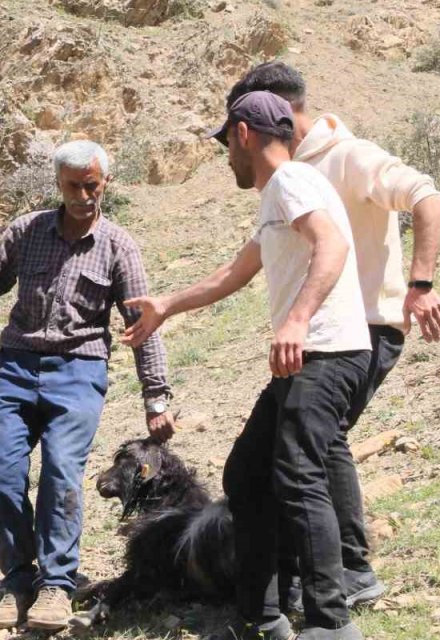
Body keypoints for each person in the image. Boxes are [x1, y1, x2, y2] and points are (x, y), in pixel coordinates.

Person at [123, 91, 370, 639]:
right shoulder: (281, 194)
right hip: (306, 359)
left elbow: (331, 245)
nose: (227, 158)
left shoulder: (291, 181)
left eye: (227, 145)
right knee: (246, 474)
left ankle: (331, 623)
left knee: (299, 477)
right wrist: (166, 305)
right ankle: (262, 612)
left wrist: (297, 320)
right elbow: (235, 272)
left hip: (325, 353)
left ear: (243, 134)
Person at [0, 140, 176, 631]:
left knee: (60, 472)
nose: (83, 196)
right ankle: (17, 582)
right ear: (58, 184)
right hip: (16, 367)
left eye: (91, 185)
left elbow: (142, 325)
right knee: (4, 475)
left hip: (79, 371)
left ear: (106, 183)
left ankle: (56, 584)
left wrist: (155, 397)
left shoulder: (118, 246)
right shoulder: (26, 232)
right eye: (73, 186)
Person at [227, 61, 440, 610]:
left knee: (309, 447)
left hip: (365, 326)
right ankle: (325, 572)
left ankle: (342, 575)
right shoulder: (290, 173)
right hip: (324, 329)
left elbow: (426, 194)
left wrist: (420, 284)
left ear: (276, 110)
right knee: (314, 444)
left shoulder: (348, 156)